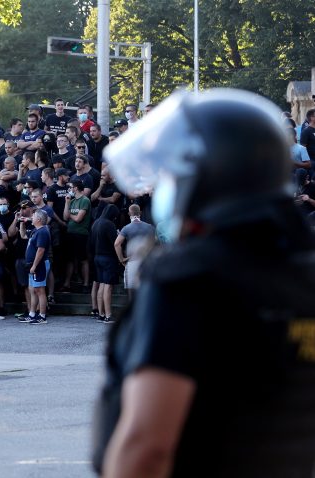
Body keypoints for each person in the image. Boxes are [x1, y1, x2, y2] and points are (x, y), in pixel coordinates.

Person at [92, 89, 315, 477]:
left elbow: (147, 447)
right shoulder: (302, 271)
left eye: (176, 174)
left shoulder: (189, 281)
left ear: (208, 177)